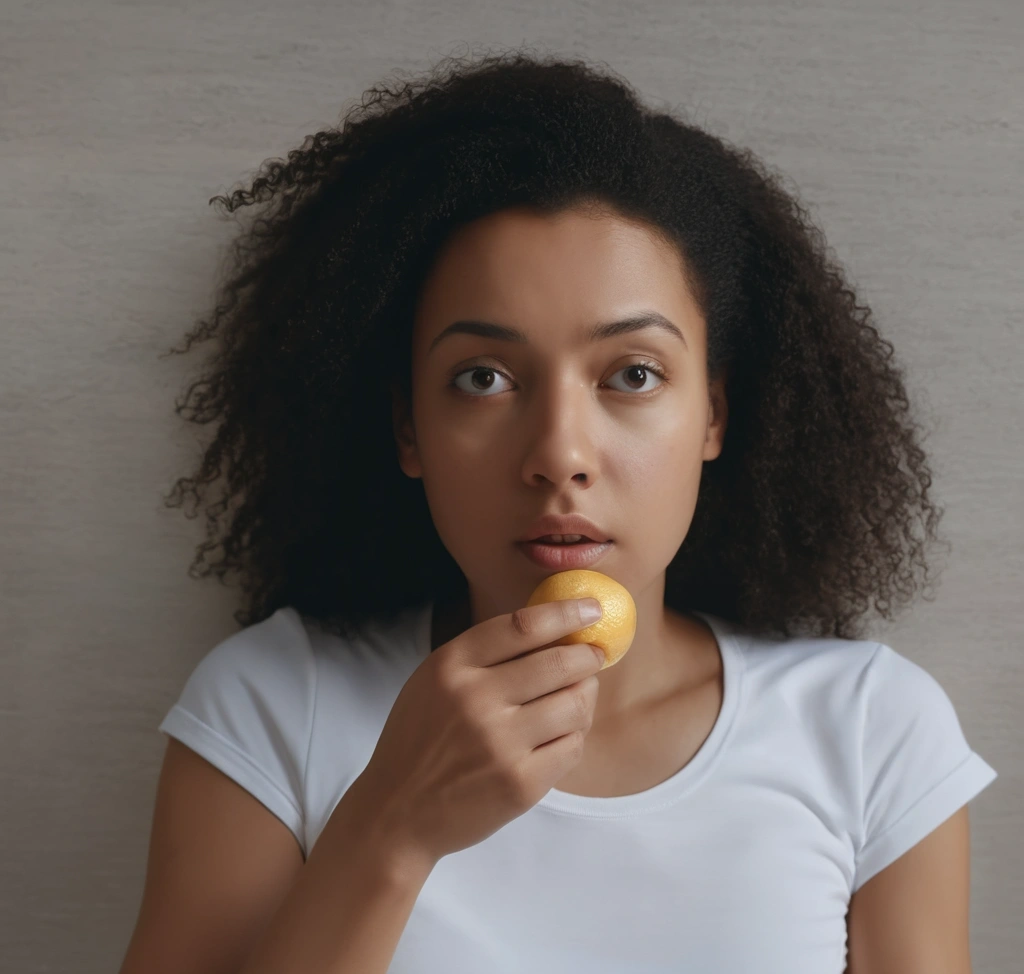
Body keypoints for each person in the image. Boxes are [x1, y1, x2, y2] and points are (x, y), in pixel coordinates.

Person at [118, 49, 998, 974]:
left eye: (632, 374)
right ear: (407, 428)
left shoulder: (871, 730)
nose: (560, 456)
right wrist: (390, 830)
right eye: (483, 378)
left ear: (713, 414)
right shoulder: (271, 706)